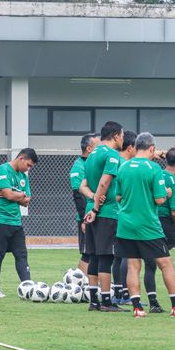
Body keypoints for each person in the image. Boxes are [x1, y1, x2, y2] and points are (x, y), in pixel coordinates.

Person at [114, 133, 175, 318]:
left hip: (126, 225)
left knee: (133, 266)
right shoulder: (154, 169)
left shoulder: (123, 167)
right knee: (166, 264)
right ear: (152, 148)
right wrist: (167, 193)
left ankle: (137, 308)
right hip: (148, 225)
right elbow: (159, 199)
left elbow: (118, 197)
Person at [142, 147, 175, 313]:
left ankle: (153, 303)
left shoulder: (155, 173)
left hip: (149, 220)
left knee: (150, 262)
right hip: (165, 221)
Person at [81, 122, 125, 312]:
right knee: (106, 256)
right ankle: (106, 302)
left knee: (93, 256)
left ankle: (93, 301)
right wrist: (98, 208)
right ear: (116, 135)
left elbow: (83, 185)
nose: (123, 139)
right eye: (122, 135)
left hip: (90, 211)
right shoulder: (112, 155)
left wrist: (92, 203)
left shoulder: (91, 155)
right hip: (105, 213)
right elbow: (105, 181)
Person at [0, 148, 37, 297]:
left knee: (21, 255)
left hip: (15, 221)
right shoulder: (2, 170)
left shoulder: (23, 177)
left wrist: (16, 194)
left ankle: (28, 288)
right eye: (28, 165)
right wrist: (19, 194)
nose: (28, 169)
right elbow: (8, 195)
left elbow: (27, 201)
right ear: (21, 158)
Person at [111, 130, 137, 304]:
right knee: (127, 255)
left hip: (112, 213)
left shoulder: (114, 160)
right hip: (123, 214)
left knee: (117, 255)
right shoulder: (124, 165)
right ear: (130, 148)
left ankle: (118, 291)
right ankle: (126, 293)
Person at [70, 133, 99, 281]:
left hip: (96, 214)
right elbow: (78, 195)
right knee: (87, 253)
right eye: (97, 146)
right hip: (86, 216)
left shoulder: (94, 165)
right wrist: (84, 219)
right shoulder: (79, 166)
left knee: (95, 252)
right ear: (89, 148)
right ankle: (80, 284)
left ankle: (92, 285)